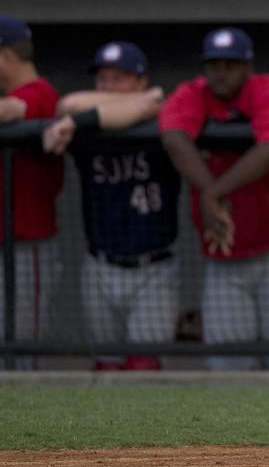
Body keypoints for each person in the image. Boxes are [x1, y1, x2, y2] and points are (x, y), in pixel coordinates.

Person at [159, 27, 269, 370]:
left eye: (230, 65)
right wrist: (212, 192)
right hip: (227, 252)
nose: (221, 73)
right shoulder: (193, 93)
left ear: (248, 67)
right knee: (225, 361)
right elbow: (173, 138)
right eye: (214, 65)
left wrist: (214, 193)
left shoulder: (268, 89)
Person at [41, 41, 181, 371]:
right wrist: (140, 102)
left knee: (144, 367)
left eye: (119, 78)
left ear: (141, 81)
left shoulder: (164, 120)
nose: (107, 86)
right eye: (102, 79)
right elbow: (68, 104)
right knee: (105, 365)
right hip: (100, 265)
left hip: (154, 266)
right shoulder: (86, 129)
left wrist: (148, 104)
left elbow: (167, 106)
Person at [0, 16, 64, 367]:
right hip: (7, 243)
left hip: (28, 247)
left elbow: (12, 110)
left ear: (7, 55)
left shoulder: (40, 93)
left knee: (23, 349)